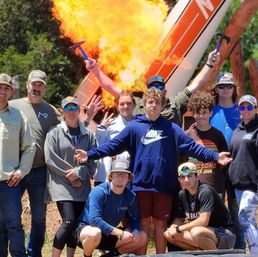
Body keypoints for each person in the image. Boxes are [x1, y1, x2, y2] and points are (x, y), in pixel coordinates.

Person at [74, 88, 232, 254]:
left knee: (160, 225)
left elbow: (193, 147)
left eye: (157, 102)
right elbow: (112, 146)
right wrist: (90, 154)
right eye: (150, 102)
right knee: (143, 224)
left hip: (164, 186)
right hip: (140, 186)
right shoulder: (134, 127)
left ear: (163, 105)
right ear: (144, 104)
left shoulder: (171, 128)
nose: (154, 105)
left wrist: (215, 156)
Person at [85, 50, 220, 125]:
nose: (156, 90)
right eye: (152, 87)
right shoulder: (137, 104)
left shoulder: (175, 103)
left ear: (165, 91)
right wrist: (95, 70)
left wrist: (209, 64)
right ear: (146, 91)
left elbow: (197, 85)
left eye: (160, 87)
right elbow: (112, 87)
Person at [9, 70, 60, 257]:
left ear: (45, 88)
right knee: (10, 215)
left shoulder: (51, 111)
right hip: (15, 170)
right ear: (27, 85)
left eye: (40, 85)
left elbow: (63, 134)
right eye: (34, 84)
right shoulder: (13, 105)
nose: (36, 88)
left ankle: (34, 253)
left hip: (39, 171)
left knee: (39, 218)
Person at [44, 96, 97, 257]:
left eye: (74, 108)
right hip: (62, 186)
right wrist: (71, 175)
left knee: (75, 224)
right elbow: (50, 159)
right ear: (62, 112)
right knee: (68, 220)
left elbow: (93, 162)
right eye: (67, 108)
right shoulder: (53, 133)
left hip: (82, 188)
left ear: (79, 110)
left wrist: (79, 174)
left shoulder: (89, 135)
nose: (71, 111)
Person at [75, 159, 147, 257]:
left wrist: (135, 230)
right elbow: (94, 220)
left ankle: (110, 256)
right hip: (87, 230)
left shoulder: (131, 196)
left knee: (142, 237)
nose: (120, 177)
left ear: (129, 178)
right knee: (94, 233)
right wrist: (120, 233)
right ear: (111, 176)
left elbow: (135, 219)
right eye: (117, 174)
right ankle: (87, 255)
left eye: (124, 174)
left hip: (109, 233)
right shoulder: (99, 191)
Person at [0, 73, 36, 257]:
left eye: (6, 88)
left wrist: (21, 171)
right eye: (0, 87)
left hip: (9, 182)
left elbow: (30, 146)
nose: (2, 91)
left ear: (11, 92)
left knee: (13, 225)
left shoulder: (18, 116)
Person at [164, 162, 236, 250]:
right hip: (202, 234)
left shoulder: (205, 191)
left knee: (196, 232)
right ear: (180, 181)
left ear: (197, 177)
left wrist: (178, 229)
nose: (186, 180)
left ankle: (215, 255)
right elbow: (179, 218)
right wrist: (172, 228)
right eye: (183, 177)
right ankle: (200, 251)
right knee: (169, 235)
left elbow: (203, 221)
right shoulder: (182, 195)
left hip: (225, 234)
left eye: (190, 176)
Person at [209, 71, 245, 249]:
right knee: (214, 208)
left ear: (234, 88)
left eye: (229, 85)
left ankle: (240, 248)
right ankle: (217, 247)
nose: (225, 89)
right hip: (214, 166)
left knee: (236, 209)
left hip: (238, 165)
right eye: (221, 86)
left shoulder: (243, 109)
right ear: (216, 88)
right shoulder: (209, 110)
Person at [228, 95, 258, 254]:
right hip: (237, 184)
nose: (245, 110)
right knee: (249, 220)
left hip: (252, 185)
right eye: (242, 107)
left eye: (249, 107)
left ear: (255, 109)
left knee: (245, 219)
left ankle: (255, 252)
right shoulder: (237, 131)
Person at [186, 91, 228, 197]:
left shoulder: (218, 135)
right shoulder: (186, 135)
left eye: (204, 112)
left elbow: (224, 161)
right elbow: (182, 162)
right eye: (197, 112)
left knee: (216, 214)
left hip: (215, 187)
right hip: (192, 188)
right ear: (192, 114)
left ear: (211, 113)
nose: (201, 116)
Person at [94, 90, 136, 185]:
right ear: (117, 106)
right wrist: (101, 129)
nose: (125, 106)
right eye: (122, 104)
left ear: (134, 105)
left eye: (129, 103)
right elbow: (98, 147)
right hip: (108, 176)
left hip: (131, 175)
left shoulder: (139, 124)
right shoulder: (110, 124)